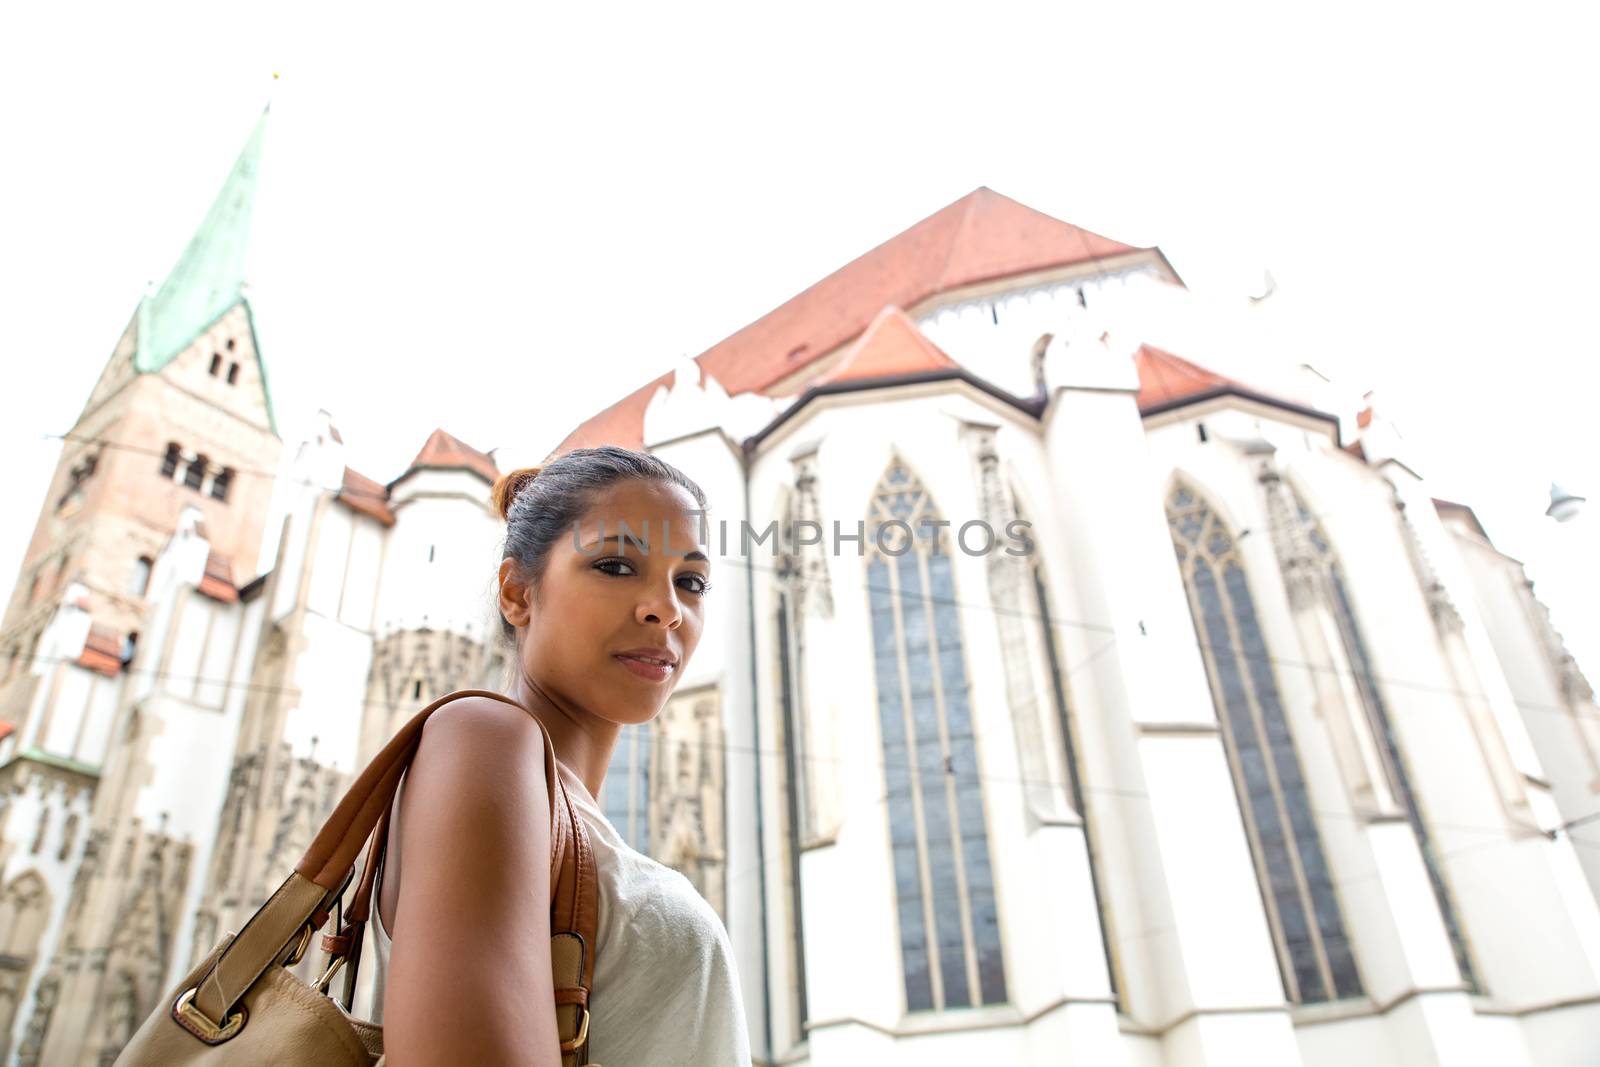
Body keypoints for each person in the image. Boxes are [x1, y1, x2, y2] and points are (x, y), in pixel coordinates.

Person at [369, 445, 751, 1065]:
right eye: (616, 566)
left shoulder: (565, 818)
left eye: (691, 581)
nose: (667, 609)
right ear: (517, 593)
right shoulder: (486, 739)